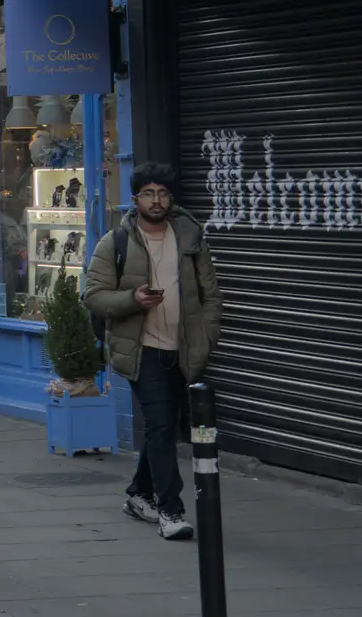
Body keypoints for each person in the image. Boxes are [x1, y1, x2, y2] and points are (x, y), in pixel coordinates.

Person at [85, 163, 222, 542]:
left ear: (170, 197)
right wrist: (133, 298)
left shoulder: (191, 237)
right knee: (160, 426)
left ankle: (138, 494)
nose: (156, 200)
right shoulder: (116, 242)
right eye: (148, 193)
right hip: (142, 351)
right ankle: (171, 510)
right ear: (135, 199)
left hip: (182, 351)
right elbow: (94, 295)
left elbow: (210, 295)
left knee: (164, 428)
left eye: (162, 193)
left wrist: (206, 337)